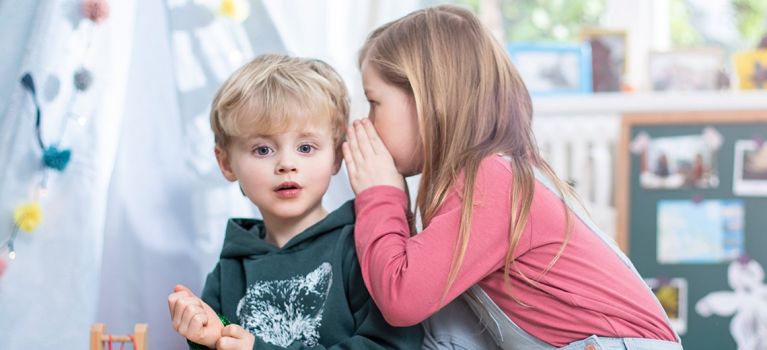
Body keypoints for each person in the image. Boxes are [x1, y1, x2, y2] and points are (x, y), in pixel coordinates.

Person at [343, 5, 682, 350]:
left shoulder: (492, 181)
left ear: (427, 101)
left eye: (374, 103)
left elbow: (402, 297)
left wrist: (380, 193)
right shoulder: (490, 177)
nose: (367, 123)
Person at [168, 54, 423, 350]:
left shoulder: (365, 247)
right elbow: (222, 340)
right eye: (263, 150)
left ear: (337, 156)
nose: (286, 164)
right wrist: (204, 335)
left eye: (305, 147)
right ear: (226, 163)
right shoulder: (229, 270)